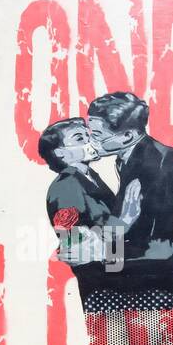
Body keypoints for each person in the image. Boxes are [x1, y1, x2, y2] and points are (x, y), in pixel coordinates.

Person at [60, 91, 173, 345]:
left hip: (155, 299)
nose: (90, 139)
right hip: (119, 298)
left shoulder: (167, 162)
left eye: (96, 134)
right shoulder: (106, 168)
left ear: (128, 137)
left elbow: (164, 246)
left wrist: (99, 252)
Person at [38, 117, 140, 310]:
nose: (89, 141)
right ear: (61, 153)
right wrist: (125, 222)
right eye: (79, 138)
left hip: (115, 273)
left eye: (88, 135)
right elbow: (74, 243)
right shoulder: (65, 186)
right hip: (98, 281)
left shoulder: (91, 177)